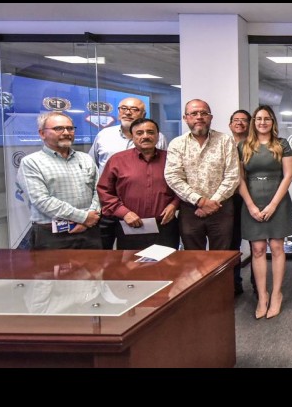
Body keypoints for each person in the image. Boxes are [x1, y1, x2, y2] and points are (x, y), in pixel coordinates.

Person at [238, 105, 292, 320]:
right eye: (259, 118)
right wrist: (251, 206)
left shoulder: (282, 144)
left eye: (267, 118)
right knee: (258, 249)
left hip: (277, 201)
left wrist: (272, 205)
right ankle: (263, 296)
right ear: (254, 122)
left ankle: (277, 294)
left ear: (273, 122)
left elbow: (288, 176)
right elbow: (239, 179)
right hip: (252, 201)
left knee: (277, 247)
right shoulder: (243, 145)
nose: (262, 122)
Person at [89, 96, 168, 250]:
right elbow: (95, 171)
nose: (128, 112)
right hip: (115, 211)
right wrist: (122, 211)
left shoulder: (165, 151)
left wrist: (173, 204)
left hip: (159, 219)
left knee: (163, 258)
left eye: (134, 109)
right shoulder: (105, 137)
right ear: (134, 136)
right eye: (124, 108)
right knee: (121, 258)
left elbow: (172, 179)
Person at [17, 111, 101, 250]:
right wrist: (83, 217)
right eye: (58, 128)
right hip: (52, 236)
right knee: (52, 266)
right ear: (42, 133)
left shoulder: (86, 158)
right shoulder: (31, 162)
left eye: (70, 128)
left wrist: (90, 218)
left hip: (89, 231)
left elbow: (98, 190)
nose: (66, 132)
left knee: (95, 265)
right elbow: (42, 201)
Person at [164, 99, 240, 252]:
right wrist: (200, 201)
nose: (199, 117)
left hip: (221, 208)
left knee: (221, 257)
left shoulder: (225, 140)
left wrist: (213, 203)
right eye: (193, 113)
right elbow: (173, 176)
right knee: (193, 258)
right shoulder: (177, 144)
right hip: (190, 209)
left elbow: (233, 175)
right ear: (185, 118)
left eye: (204, 113)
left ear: (210, 117)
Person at [97, 118, 180, 250]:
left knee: (167, 262)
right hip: (130, 226)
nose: (145, 136)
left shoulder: (172, 158)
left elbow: (183, 185)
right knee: (130, 262)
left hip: (165, 226)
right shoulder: (117, 160)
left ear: (158, 136)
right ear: (132, 136)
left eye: (150, 132)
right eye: (139, 133)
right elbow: (104, 191)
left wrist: (174, 204)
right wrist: (124, 213)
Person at [228, 109, 253, 296]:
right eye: (236, 120)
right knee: (232, 243)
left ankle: (257, 285)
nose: (239, 123)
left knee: (256, 244)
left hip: (253, 198)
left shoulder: (255, 145)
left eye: (244, 120)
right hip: (230, 200)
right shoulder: (224, 144)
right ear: (230, 125)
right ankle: (234, 283)